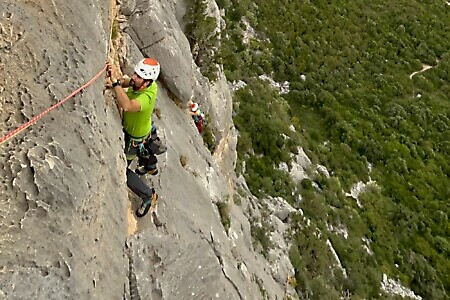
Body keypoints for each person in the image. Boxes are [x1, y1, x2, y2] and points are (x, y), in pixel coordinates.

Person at [107, 57, 162, 217]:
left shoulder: (147, 97)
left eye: (139, 76)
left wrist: (116, 85)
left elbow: (127, 106)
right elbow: (130, 83)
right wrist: (116, 81)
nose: (134, 77)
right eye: (136, 74)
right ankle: (150, 167)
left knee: (122, 169)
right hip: (137, 131)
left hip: (134, 139)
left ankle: (147, 195)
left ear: (146, 82)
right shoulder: (144, 83)